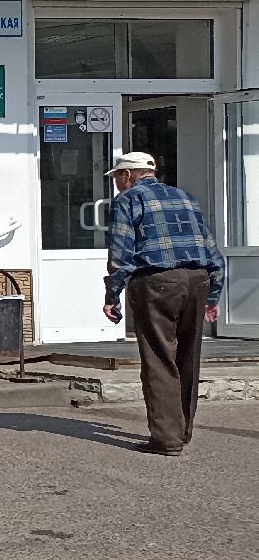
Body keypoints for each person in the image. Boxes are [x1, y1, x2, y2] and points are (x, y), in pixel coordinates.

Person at [102, 151, 225, 456]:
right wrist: (213, 293)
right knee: (188, 357)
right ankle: (182, 431)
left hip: (156, 281)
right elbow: (210, 246)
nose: (117, 183)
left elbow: (121, 252)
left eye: (117, 176)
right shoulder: (185, 197)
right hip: (198, 280)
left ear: (127, 175)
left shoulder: (128, 200)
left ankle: (166, 439)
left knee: (159, 358)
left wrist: (112, 294)